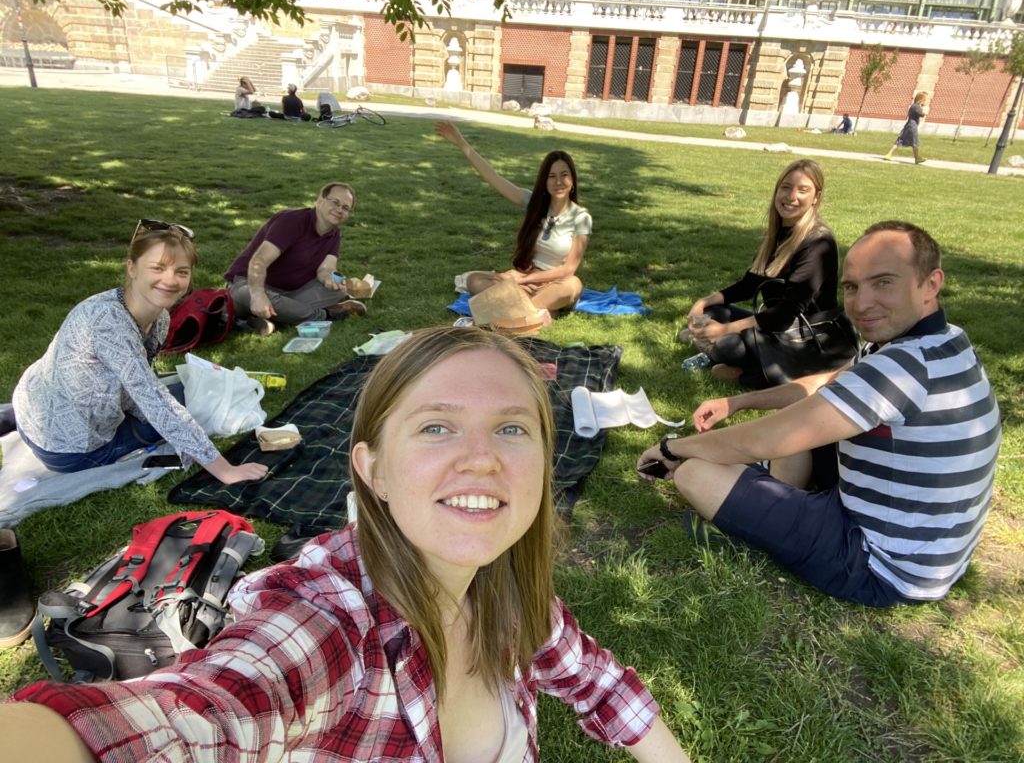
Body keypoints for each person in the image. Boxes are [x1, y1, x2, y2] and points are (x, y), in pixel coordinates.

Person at [3, 326, 692, 763]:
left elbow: (597, 681)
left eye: (513, 429)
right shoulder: (326, 621)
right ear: (372, 469)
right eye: (436, 427)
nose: (482, 458)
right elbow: (195, 718)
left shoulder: (511, 590)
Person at [640, 221, 1001, 607]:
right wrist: (736, 403)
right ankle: (776, 501)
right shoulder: (942, 340)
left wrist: (675, 446)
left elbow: (765, 439)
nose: (861, 303)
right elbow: (823, 383)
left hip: (880, 565)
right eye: (852, 287)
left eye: (883, 282)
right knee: (795, 422)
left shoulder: (900, 368)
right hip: (930, 550)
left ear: (931, 283)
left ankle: (765, 511)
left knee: (696, 472)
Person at [11, 220, 269, 486]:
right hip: (68, 450)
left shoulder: (159, 318)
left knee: (186, 392)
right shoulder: (106, 321)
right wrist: (225, 470)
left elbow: (142, 382)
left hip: (35, 409)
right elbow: (156, 403)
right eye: (157, 268)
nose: (170, 280)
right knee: (187, 402)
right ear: (131, 268)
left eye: (181, 272)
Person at [680, 159, 838, 387]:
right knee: (714, 311)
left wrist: (725, 330)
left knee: (728, 344)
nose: (791, 196)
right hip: (773, 326)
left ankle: (741, 365)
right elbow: (750, 284)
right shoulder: (779, 233)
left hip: (803, 338)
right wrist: (704, 301)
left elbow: (786, 313)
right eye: (786, 187)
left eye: (803, 190)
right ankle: (733, 358)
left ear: (816, 198)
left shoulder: (818, 242)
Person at [435, 120, 591, 314]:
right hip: (524, 279)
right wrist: (462, 143)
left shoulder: (581, 217)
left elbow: (568, 270)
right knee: (473, 280)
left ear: (572, 180)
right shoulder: (532, 202)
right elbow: (493, 177)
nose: (558, 181)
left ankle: (516, 308)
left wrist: (524, 280)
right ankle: (533, 311)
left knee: (573, 286)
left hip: (554, 283)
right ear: (544, 181)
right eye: (551, 176)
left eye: (564, 175)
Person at [224, 182, 367, 336]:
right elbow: (259, 261)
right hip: (251, 283)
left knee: (338, 292)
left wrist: (330, 280)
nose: (339, 210)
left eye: (345, 208)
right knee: (246, 294)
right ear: (320, 200)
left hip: (291, 293)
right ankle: (326, 315)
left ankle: (262, 319)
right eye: (335, 202)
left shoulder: (334, 234)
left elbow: (326, 268)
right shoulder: (291, 221)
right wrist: (258, 294)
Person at [884, 92, 928, 164]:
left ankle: (889, 154)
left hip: (909, 125)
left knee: (900, 139)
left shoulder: (914, 106)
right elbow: (921, 114)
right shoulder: (916, 106)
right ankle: (917, 158)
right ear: (921, 99)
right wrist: (922, 108)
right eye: (924, 100)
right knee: (915, 141)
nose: (925, 102)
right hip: (912, 126)